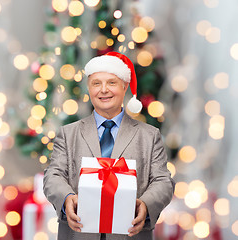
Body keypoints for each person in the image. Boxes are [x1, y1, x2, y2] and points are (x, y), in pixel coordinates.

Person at [43, 51, 175, 240]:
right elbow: (53, 175)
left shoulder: (149, 136)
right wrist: (66, 198)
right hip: (78, 233)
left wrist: (146, 204)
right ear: (89, 88)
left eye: (111, 83)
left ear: (124, 86)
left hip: (130, 234)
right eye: (96, 83)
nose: (103, 90)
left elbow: (163, 181)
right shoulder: (68, 134)